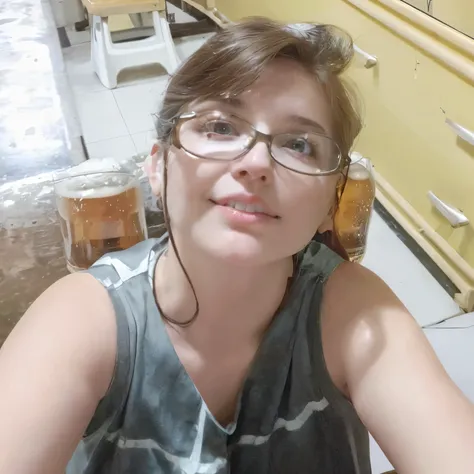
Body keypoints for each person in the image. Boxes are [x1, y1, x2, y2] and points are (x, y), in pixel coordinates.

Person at [0, 18, 473, 474]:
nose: (255, 162)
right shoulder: (84, 319)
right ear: (158, 166)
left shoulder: (353, 312)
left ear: (332, 199)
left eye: (299, 144)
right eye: (221, 127)